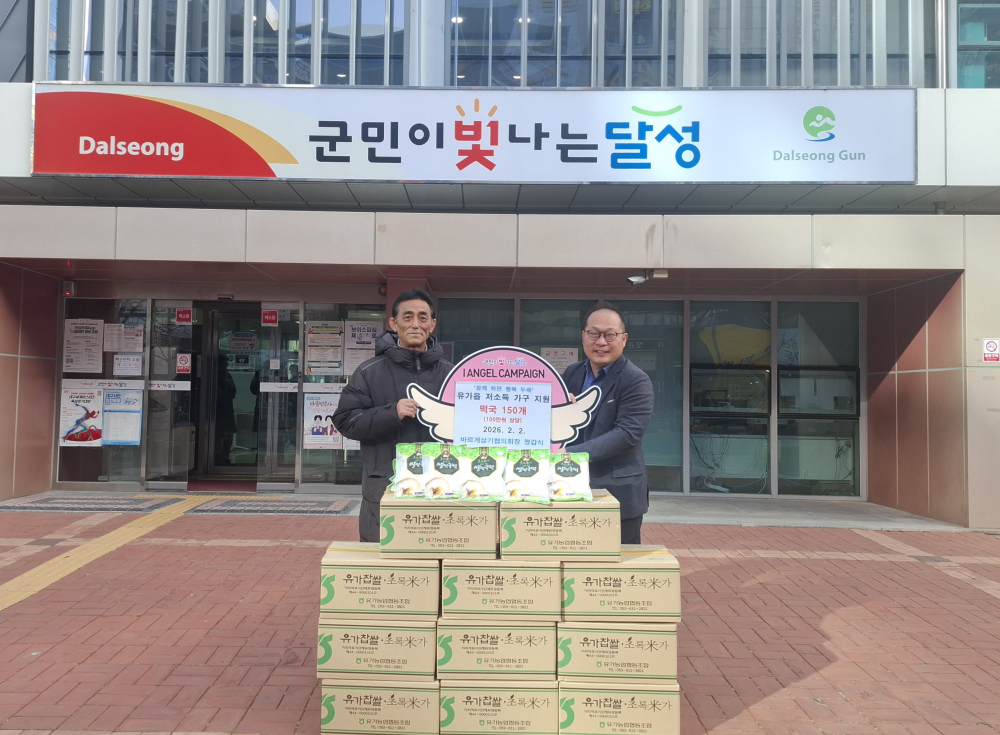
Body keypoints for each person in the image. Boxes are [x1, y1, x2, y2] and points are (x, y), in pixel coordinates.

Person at [333, 289, 452, 542]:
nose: (415, 324)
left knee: (434, 558)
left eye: (423, 317)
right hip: (384, 489)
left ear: (432, 325)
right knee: (383, 557)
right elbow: (346, 421)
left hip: (440, 487)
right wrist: (392, 413)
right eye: (407, 317)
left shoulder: (451, 374)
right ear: (394, 323)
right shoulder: (369, 371)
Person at [562, 304, 654, 544]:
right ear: (583, 336)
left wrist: (568, 454)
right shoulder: (571, 373)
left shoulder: (636, 380)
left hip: (618, 492)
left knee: (615, 562)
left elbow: (627, 434)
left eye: (610, 335)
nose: (601, 342)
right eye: (594, 333)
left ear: (624, 339)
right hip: (571, 487)